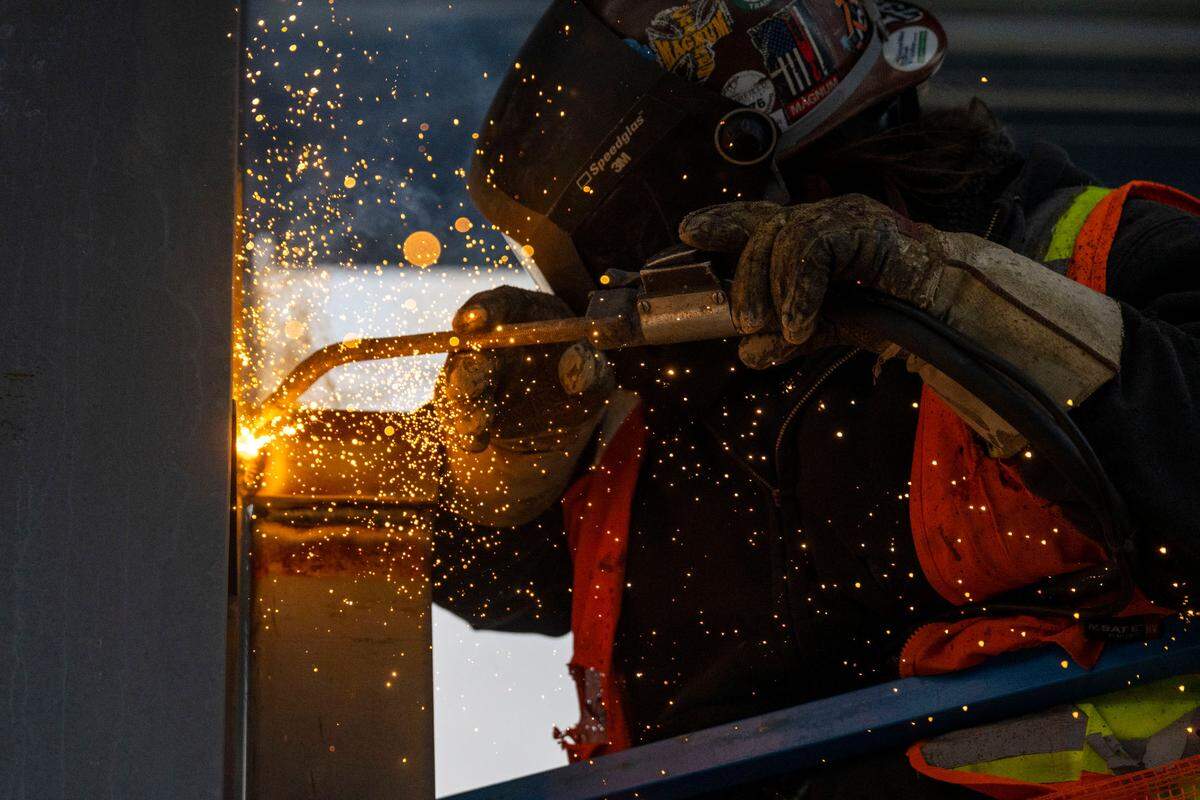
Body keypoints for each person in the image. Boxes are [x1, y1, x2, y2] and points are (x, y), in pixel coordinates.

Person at [430, 0, 1200, 796]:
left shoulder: (1099, 259)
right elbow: (493, 570)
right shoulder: (669, 378)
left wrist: (951, 297)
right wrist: (493, 454)